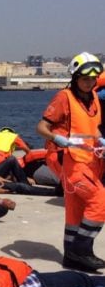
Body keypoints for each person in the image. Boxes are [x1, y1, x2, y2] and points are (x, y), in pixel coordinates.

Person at [37, 51, 105, 272]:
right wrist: (58, 139)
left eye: (93, 79)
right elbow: (41, 127)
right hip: (72, 162)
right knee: (100, 203)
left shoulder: (94, 97)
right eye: (85, 79)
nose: (89, 83)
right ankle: (82, 250)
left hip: (92, 161)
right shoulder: (64, 97)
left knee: (76, 210)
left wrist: (101, 140)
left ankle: (70, 256)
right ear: (76, 78)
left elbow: (92, 128)